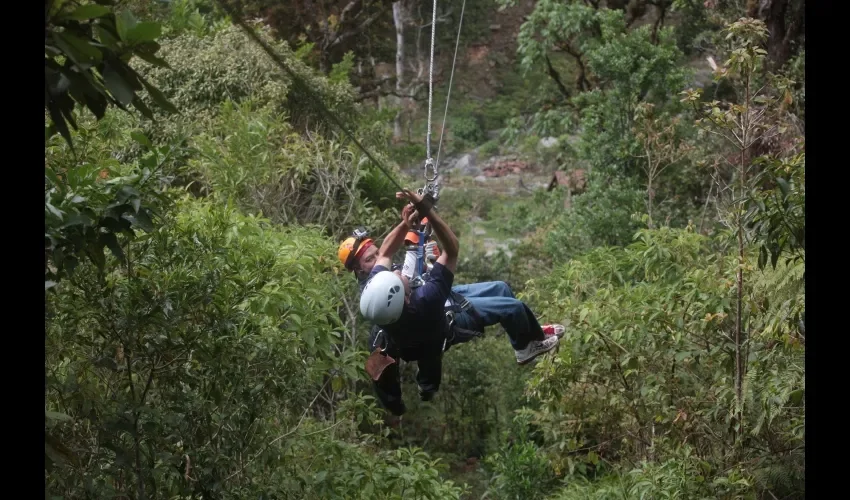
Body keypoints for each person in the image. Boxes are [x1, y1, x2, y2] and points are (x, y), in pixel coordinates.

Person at [354, 189, 561, 416]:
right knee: (514, 307)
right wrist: (429, 213)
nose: (396, 272)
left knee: (502, 288)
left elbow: (385, 253)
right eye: (399, 279)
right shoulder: (426, 299)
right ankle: (526, 348)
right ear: (405, 297)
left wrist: (406, 224)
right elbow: (451, 249)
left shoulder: (377, 294)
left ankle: (527, 334)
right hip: (448, 320)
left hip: (429, 320)